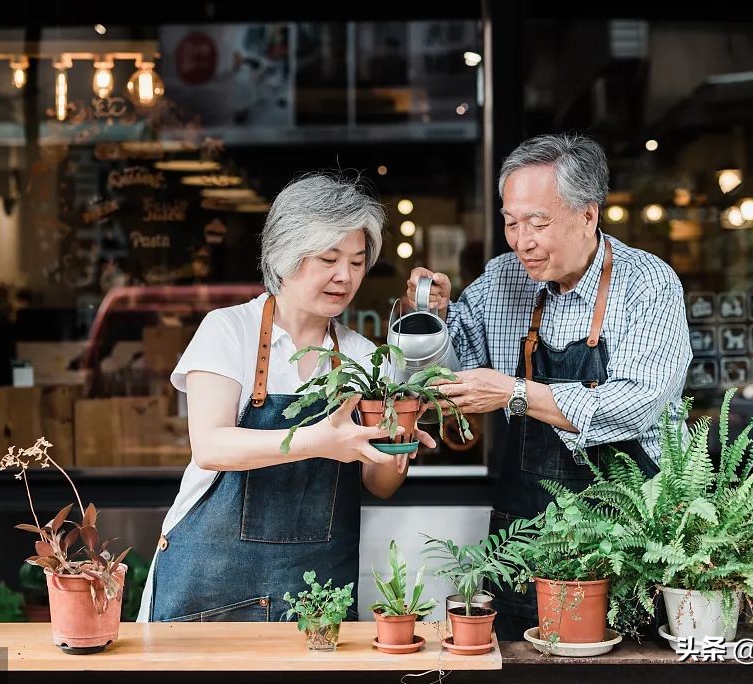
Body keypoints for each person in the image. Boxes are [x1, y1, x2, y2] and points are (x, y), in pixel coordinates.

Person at [406, 133, 692, 639]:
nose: (521, 241)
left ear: (589, 215)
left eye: (538, 223)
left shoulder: (648, 284)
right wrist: (435, 318)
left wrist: (518, 393)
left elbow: (636, 405)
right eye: (511, 223)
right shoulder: (501, 280)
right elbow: (452, 379)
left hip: (636, 532)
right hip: (528, 528)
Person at [140, 173, 434, 623]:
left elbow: (380, 485)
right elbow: (211, 446)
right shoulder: (228, 331)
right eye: (329, 259)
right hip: (210, 590)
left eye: (357, 262)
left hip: (315, 599)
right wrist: (320, 440)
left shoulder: (362, 357)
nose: (345, 276)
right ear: (284, 257)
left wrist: (400, 441)